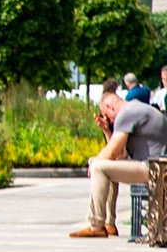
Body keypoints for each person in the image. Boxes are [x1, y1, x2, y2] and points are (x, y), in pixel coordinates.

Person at [70, 89, 167, 238]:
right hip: (158, 166)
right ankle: (108, 224)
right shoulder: (137, 108)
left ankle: (96, 224)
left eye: (107, 116)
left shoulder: (127, 113)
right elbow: (120, 156)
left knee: (98, 167)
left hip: (154, 169)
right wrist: (107, 132)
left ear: (110, 106)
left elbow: (112, 151)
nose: (109, 121)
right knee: (104, 167)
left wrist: (93, 163)